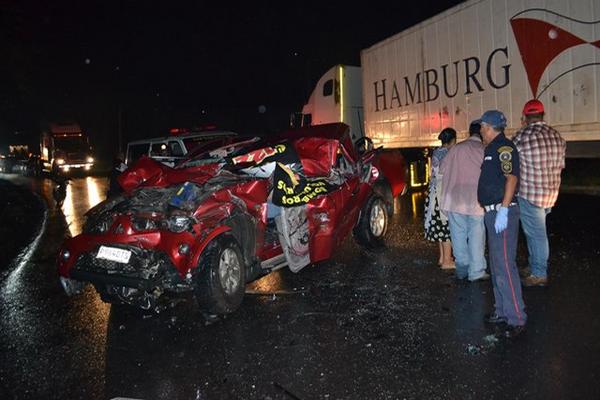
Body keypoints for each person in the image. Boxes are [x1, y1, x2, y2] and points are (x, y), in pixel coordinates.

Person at [477, 110, 526, 339]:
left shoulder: (504, 147)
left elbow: (512, 178)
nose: (480, 131)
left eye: (482, 127)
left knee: (505, 266)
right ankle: (501, 311)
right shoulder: (491, 148)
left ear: (489, 127)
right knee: (496, 265)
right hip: (492, 213)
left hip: (501, 212)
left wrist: (504, 210)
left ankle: (516, 317)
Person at [513, 99, 566, 287]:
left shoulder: (522, 136)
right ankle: (533, 264)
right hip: (550, 193)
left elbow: (512, 164)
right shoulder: (556, 135)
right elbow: (561, 164)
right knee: (535, 231)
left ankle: (539, 273)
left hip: (530, 194)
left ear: (525, 117)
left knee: (536, 234)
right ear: (542, 115)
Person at [440, 121, 489, 282]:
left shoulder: (456, 149)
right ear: (481, 133)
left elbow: (442, 169)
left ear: (469, 132)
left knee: (458, 234)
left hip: (455, 199)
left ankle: (461, 268)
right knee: (476, 235)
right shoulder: (483, 150)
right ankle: (476, 272)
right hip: (476, 201)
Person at [424, 127, 456, 269]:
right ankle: (448, 261)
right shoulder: (449, 154)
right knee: (446, 228)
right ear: (453, 140)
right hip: (443, 194)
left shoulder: (436, 152)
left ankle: (442, 258)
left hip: (434, 195)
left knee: (439, 227)